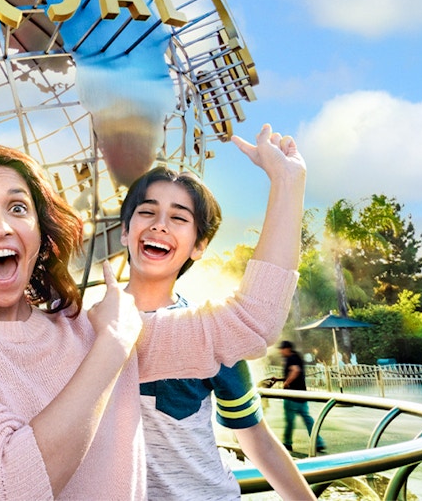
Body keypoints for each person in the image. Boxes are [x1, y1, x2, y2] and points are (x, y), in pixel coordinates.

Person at [0, 122, 306, 499]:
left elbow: (252, 324)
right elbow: (4, 486)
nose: (1, 226)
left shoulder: (84, 326)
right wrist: (114, 346)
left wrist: (287, 185)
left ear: (40, 234)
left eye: (18, 208)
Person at [121, 165, 312, 499]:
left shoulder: (212, 333)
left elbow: (257, 440)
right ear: (124, 231)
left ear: (199, 245)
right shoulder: (82, 329)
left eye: (179, 218)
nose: (160, 224)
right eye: (147, 211)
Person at [278, 340, 327, 453]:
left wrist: (286, 383)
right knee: (307, 419)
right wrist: (279, 379)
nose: (280, 351)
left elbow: (295, 371)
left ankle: (287, 442)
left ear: (287, 349)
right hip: (301, 394)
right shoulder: (297, 357)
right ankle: (318, 442)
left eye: (282, 349)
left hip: (292, 395)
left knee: (289, 421)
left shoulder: (291, 358)